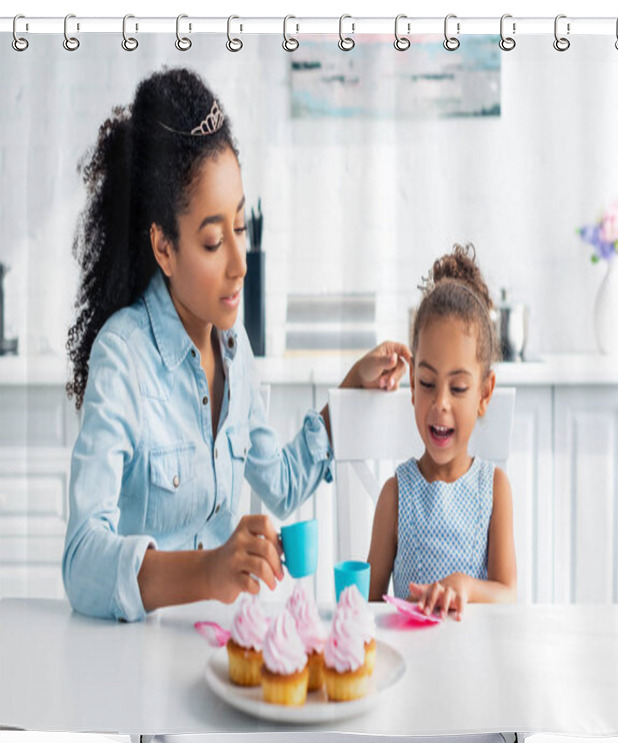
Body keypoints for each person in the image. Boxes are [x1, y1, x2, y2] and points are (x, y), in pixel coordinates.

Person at [62, 67, 410, 622]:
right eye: (212, 241)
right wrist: (208, 571)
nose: (240, 263)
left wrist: (348, 393)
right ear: (164, 248)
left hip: (216, 648)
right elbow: (81, 561)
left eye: (241, 228)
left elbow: (282, 484)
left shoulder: (232, 348)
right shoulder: (123, 357)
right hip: (134, 663)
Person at [366, 244, 516, 620]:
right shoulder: (395, 495)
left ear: (484, 393)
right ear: (412, 386)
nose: (441, 403)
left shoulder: (494, 490)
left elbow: (508, 594)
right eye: (428, 382)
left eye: (459, 388)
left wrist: (465, 586)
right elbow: (365, 606)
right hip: (409, 667)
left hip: (474, 670)